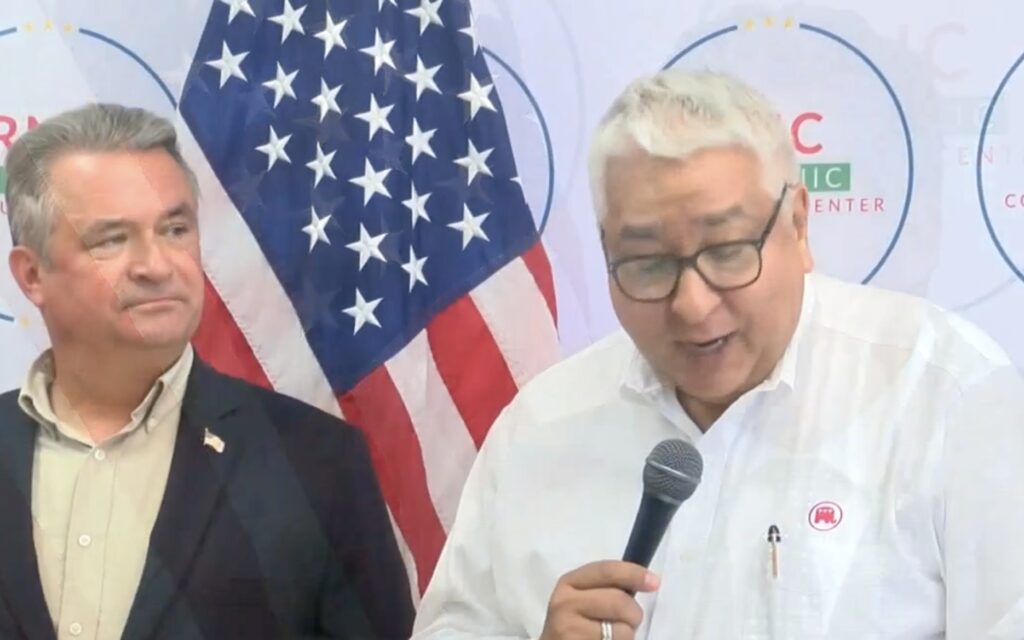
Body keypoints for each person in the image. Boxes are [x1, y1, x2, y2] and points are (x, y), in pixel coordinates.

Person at [412, 69, 1024, 639]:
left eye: (728, 251)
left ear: (799, 225)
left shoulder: (943, 392)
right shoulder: (541, 426)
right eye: (647, 264)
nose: (693, 305)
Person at [0, 103, 414, 639]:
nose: (156, 265)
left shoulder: (318, 462)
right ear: (32, 275)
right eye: (111, 239)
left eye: (175, 229)